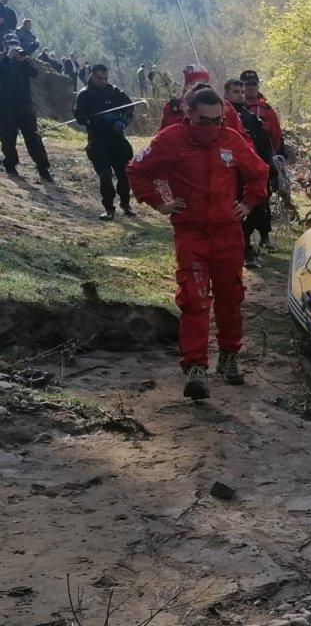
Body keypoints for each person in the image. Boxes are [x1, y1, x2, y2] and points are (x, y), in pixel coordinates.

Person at [126, 87, 269, 400]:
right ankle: (195, 369)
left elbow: (259, 174)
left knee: (231, 297)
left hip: (228, 234)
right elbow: (137, 170)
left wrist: (247, 204)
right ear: (189, 114)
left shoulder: (231, 139)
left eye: (217, 120)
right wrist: (159, 203)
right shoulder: (171, 140)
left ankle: (229, 357)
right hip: (191, 234)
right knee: (194, 299)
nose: (212, 127)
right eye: (205, 121)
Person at [223, 78, 277, 268]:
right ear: (226, 94)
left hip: (249, 170)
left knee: (259, 208)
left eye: (242, 92)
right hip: (227, 172)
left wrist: (270, 167)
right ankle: (243, 249)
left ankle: (244, 239)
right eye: (236, 92)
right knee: (232, 210)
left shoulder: (250, 118)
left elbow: (262, 144)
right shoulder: (217, 114)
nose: (240, 95)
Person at [73, 64, 136, 220]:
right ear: (92, 76)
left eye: (106, 78)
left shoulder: (113, 91)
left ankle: (126, 205)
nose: (103, 81)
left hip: (117, 140)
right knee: (105, 176)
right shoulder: (84, 95)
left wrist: (122, 120)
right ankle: (109, 208)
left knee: (123, 175)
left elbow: (129, 107)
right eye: (100, 78)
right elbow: (80, 117)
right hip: (98, 141)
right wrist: (100, 119)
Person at [0, 35, 53, 181]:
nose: (13, 46)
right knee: (8, 137)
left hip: (24, 105)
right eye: (10, 43)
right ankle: (10, 165)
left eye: (15, 43)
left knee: (33, 137)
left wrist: (22, 61)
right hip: (6, 105)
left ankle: (43, 168)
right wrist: (7, 59)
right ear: (5, 45)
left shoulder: (24, 59)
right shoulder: (2, 59)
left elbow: (34, 73)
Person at [159, 65, 245, 137]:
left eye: (204, 83)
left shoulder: (224, 106)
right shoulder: (172, 108)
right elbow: (160, 139)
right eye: (193, 84)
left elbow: (242, 138)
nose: (199, 87)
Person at [239, 70, 283, 154]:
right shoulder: (234, 107)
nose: (251, 87)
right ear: (241, 86)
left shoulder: (267, 109)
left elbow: (276, 135)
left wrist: (279, 155)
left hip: (263, 157)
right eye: (248, 84)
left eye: (254, 84)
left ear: (258, 86)